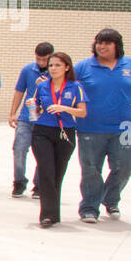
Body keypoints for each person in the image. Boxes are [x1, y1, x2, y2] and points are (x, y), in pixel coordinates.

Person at [74, 28, 131, 223]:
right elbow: (66, 87)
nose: (101, 46)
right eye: (99, 42)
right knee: (91, 168)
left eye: (107, 43)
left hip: (125, 128)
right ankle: (89, 207)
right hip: (90, 127)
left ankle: (110, 197)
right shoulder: (83, 67)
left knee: (127, 163)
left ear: (117, 46)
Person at [29, 51, 87, 227]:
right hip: (42, 132)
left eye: (57, 65)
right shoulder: (41, 86)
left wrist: (64, 108)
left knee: (57, 173)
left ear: (67, 67)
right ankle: (47, 215)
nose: (53, 68)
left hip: (65, 132)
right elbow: (36, 112)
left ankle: (53, 214)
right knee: (46, 171)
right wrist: (32, 108)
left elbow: (82, 112)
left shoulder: (75, 87)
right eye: (51, 65)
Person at [8, 42, 53, 197]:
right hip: (26, 118)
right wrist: (13, 112)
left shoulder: (56, 71)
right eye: (38, 59)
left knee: (42, 153)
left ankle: (39, 185)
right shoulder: (28, 70)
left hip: (45, 119)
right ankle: (19, 182)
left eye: (45, 60)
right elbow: (19, 91)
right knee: (19, 149)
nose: (41, 63)